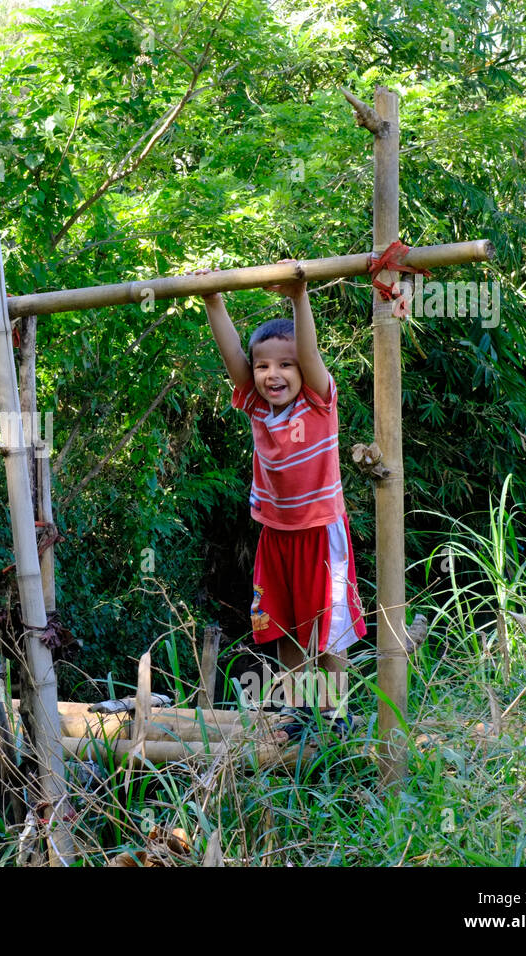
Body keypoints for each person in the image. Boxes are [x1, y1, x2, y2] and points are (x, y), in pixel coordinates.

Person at [196, 264, 366, 737]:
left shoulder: (318, 401)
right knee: (283, 629)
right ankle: (300, 712)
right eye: (264, 365)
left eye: (285, 364)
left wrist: (299, 297)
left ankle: (335, 715)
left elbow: (310, 354)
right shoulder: (255, 404)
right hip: (275, 535)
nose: (274, 374)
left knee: (327, 630)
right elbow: (233, 355)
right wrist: (214, 300)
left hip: (320, 533)